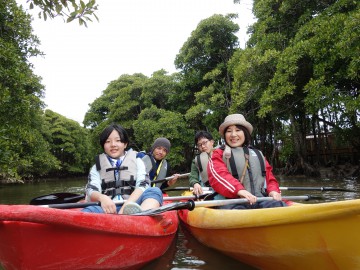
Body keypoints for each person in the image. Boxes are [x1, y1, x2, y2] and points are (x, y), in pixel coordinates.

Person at [82, 124, 163, 215]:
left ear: (125, 144)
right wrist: (102, 198)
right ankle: (129, 219)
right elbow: (91, 190)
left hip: (135, 205)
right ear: (103, 145)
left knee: (155, 191)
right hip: (107, 208)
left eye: (118, 140)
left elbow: (143, 185)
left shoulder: (137, 161)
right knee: (89, 210)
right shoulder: (97, 166)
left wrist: (127, 204)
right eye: (108, 141)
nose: (113, 145)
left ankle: (140, 217)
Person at [208, 114, 285, 209]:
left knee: (278, 205)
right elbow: (219, 175)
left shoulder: (257, 153)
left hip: (259, 199)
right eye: (229, 131)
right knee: (236, 212)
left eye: (238, 130)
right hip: (233, 201)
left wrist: (273, 190)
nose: (233, 135)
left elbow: (270, 178)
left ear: (245, 133)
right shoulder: (218, 154)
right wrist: (240, 191)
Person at [189, 131, 215, 196]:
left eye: (205, 143)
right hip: (206, 191)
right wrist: (195, 183)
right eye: (199, 145)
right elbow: (193, 176)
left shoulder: (223, 155)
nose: (202, 146)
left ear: (212, 142)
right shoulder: (196, 161)